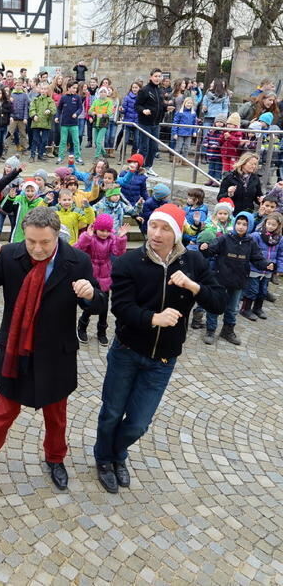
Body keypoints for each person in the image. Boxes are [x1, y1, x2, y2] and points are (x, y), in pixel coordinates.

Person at [0, 207, 105, 491]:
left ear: (57, 237)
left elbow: (99, 304)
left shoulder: (77, 261)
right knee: (3, 412)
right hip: (16, 349)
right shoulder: (9, 255)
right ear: (23, 236)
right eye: (31, 242)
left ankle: (55, 459)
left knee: (56, 416)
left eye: (44, 242)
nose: (37, 249)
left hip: (56, 354)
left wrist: (91, 296)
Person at [94, 204, 226, 493]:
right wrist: (154, 318)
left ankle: (116, 452)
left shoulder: (193, 263)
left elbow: (219, 301)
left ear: (177, 233)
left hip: (163, 360)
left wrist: (193, 286)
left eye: (165, 228)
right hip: (126, 351)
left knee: (139, 423)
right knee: (113, 412)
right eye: (153, 225)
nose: (156, 233)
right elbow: (121, 308)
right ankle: (105, 458)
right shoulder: (129, 262)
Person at [199, 211, 272, 346]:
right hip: (220, 279)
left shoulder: (251, 242)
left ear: (249, 226)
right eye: (238, 223)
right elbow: (211, 250)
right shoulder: (225, 238)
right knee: (215, 305)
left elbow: (257, 259)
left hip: (238, 281)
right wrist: (204, 248)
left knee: (232, 309)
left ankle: (227, 331)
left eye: (245, 224)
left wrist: (267, 265)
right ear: (235, 223)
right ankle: (210, 330)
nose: (241, 226)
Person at [74, 214, 128, 345]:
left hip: (105, 274)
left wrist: (121, 239)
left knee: (104, 305)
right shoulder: (90, 238)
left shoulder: (111, 240)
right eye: (102, 230)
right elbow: (78, 249)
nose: (104, 233)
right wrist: (86, 237)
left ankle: (102, 331)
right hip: (91, 274)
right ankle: (82, 326)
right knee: (90, 303)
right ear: (96, 228)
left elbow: (118, 253)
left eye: (107, 231)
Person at [241, 212, 283, 320]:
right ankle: (245, 309)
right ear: (265, 223)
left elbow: (280, 255)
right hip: (255, 268)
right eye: (269, 224)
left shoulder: (279, 239)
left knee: (263, 290)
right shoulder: (256, 236)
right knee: (252, 290)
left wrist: (278, 268)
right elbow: (250, 251)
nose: (270, 226)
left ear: (278, 226)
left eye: (273, 225)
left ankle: (258, 308)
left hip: (268, 270)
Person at [135, 69, 167, 177]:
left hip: (156, 123)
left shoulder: (160, 91)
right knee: (144, 147)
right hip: (145, 122)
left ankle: (149, 167)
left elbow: (160, 106)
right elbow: (137, 105)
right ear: (151, 77)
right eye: (156, 76)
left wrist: (167, 108)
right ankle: (139, 168)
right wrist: (143, 110)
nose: (158, 78)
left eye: (159, 76)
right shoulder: (144, 90)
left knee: (154, 147)